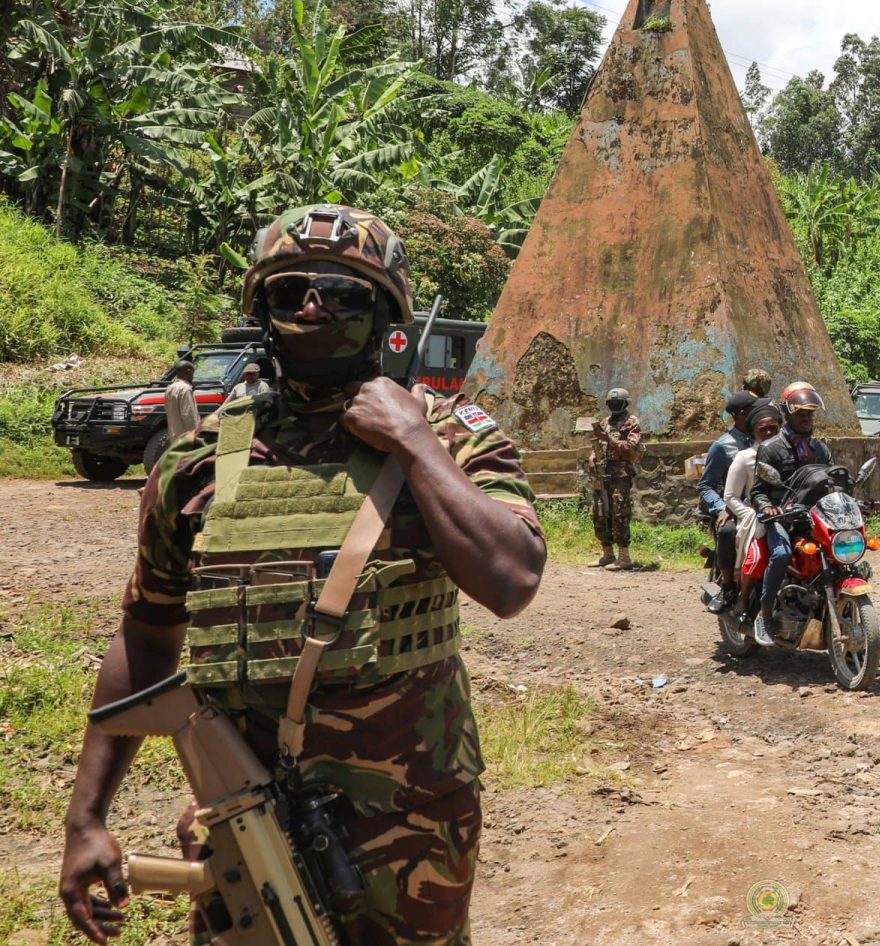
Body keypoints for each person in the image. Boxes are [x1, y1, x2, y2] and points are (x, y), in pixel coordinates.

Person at [58, 204, 547, 946]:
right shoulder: (197, 466)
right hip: (246, 822)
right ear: (261, 309)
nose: (313, 307)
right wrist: (86, 817)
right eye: (290, 293)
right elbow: (148, 633)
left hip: (408, 824)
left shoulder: (449, 437)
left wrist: (412, 439)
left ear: (385, 313)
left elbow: (512, 579)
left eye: (342, 293)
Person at [750, 382, 832, 646]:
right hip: (781, 517)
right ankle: (764, 615)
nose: (806, 419)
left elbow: (831, 484)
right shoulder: (772, 448)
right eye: (801, 414)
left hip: (812, 517)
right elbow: (758, 491)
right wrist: (767, 507)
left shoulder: (820, 449)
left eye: (810, 414)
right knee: (782, 553)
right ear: (788, 414)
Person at [697, 390, 757, 611]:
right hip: (735, 507)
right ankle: (729, 587)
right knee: (727, 531)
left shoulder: (766, 440)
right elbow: (705, 485)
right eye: (754, 411)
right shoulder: (722, 446)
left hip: (760, 505)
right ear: (743, 414)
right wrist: (723, 507)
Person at [723, 400, 784, 599]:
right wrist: (750, 516)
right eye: (762, 429)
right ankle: (742, 599)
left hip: (787, 513)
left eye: (773, 428)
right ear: (753, 431)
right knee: (757, 558)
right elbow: (731, 495)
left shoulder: (788, 453)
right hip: (757, 515)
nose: (768, 433)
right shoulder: (745, 457)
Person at [588, 388, 644, 570]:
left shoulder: (632, 422)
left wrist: (609, 439)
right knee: (599, 512)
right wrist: (591, 458)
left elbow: (631, 447)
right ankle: (607, 553)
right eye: (611, 404)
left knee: (620, 512)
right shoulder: (605, 422)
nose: (614, 407)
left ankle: (624, 556)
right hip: (602, 473)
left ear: (625, 403)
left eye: (617, 403)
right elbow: (598, 445)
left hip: (620, 475)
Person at [163, 360, 198, 440]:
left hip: (174, 435)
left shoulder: (170, 388)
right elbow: (188, 414)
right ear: (188, 372)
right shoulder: (185, 389)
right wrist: (195, 434)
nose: (193, 376)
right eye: (193, 372)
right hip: (185, 437)